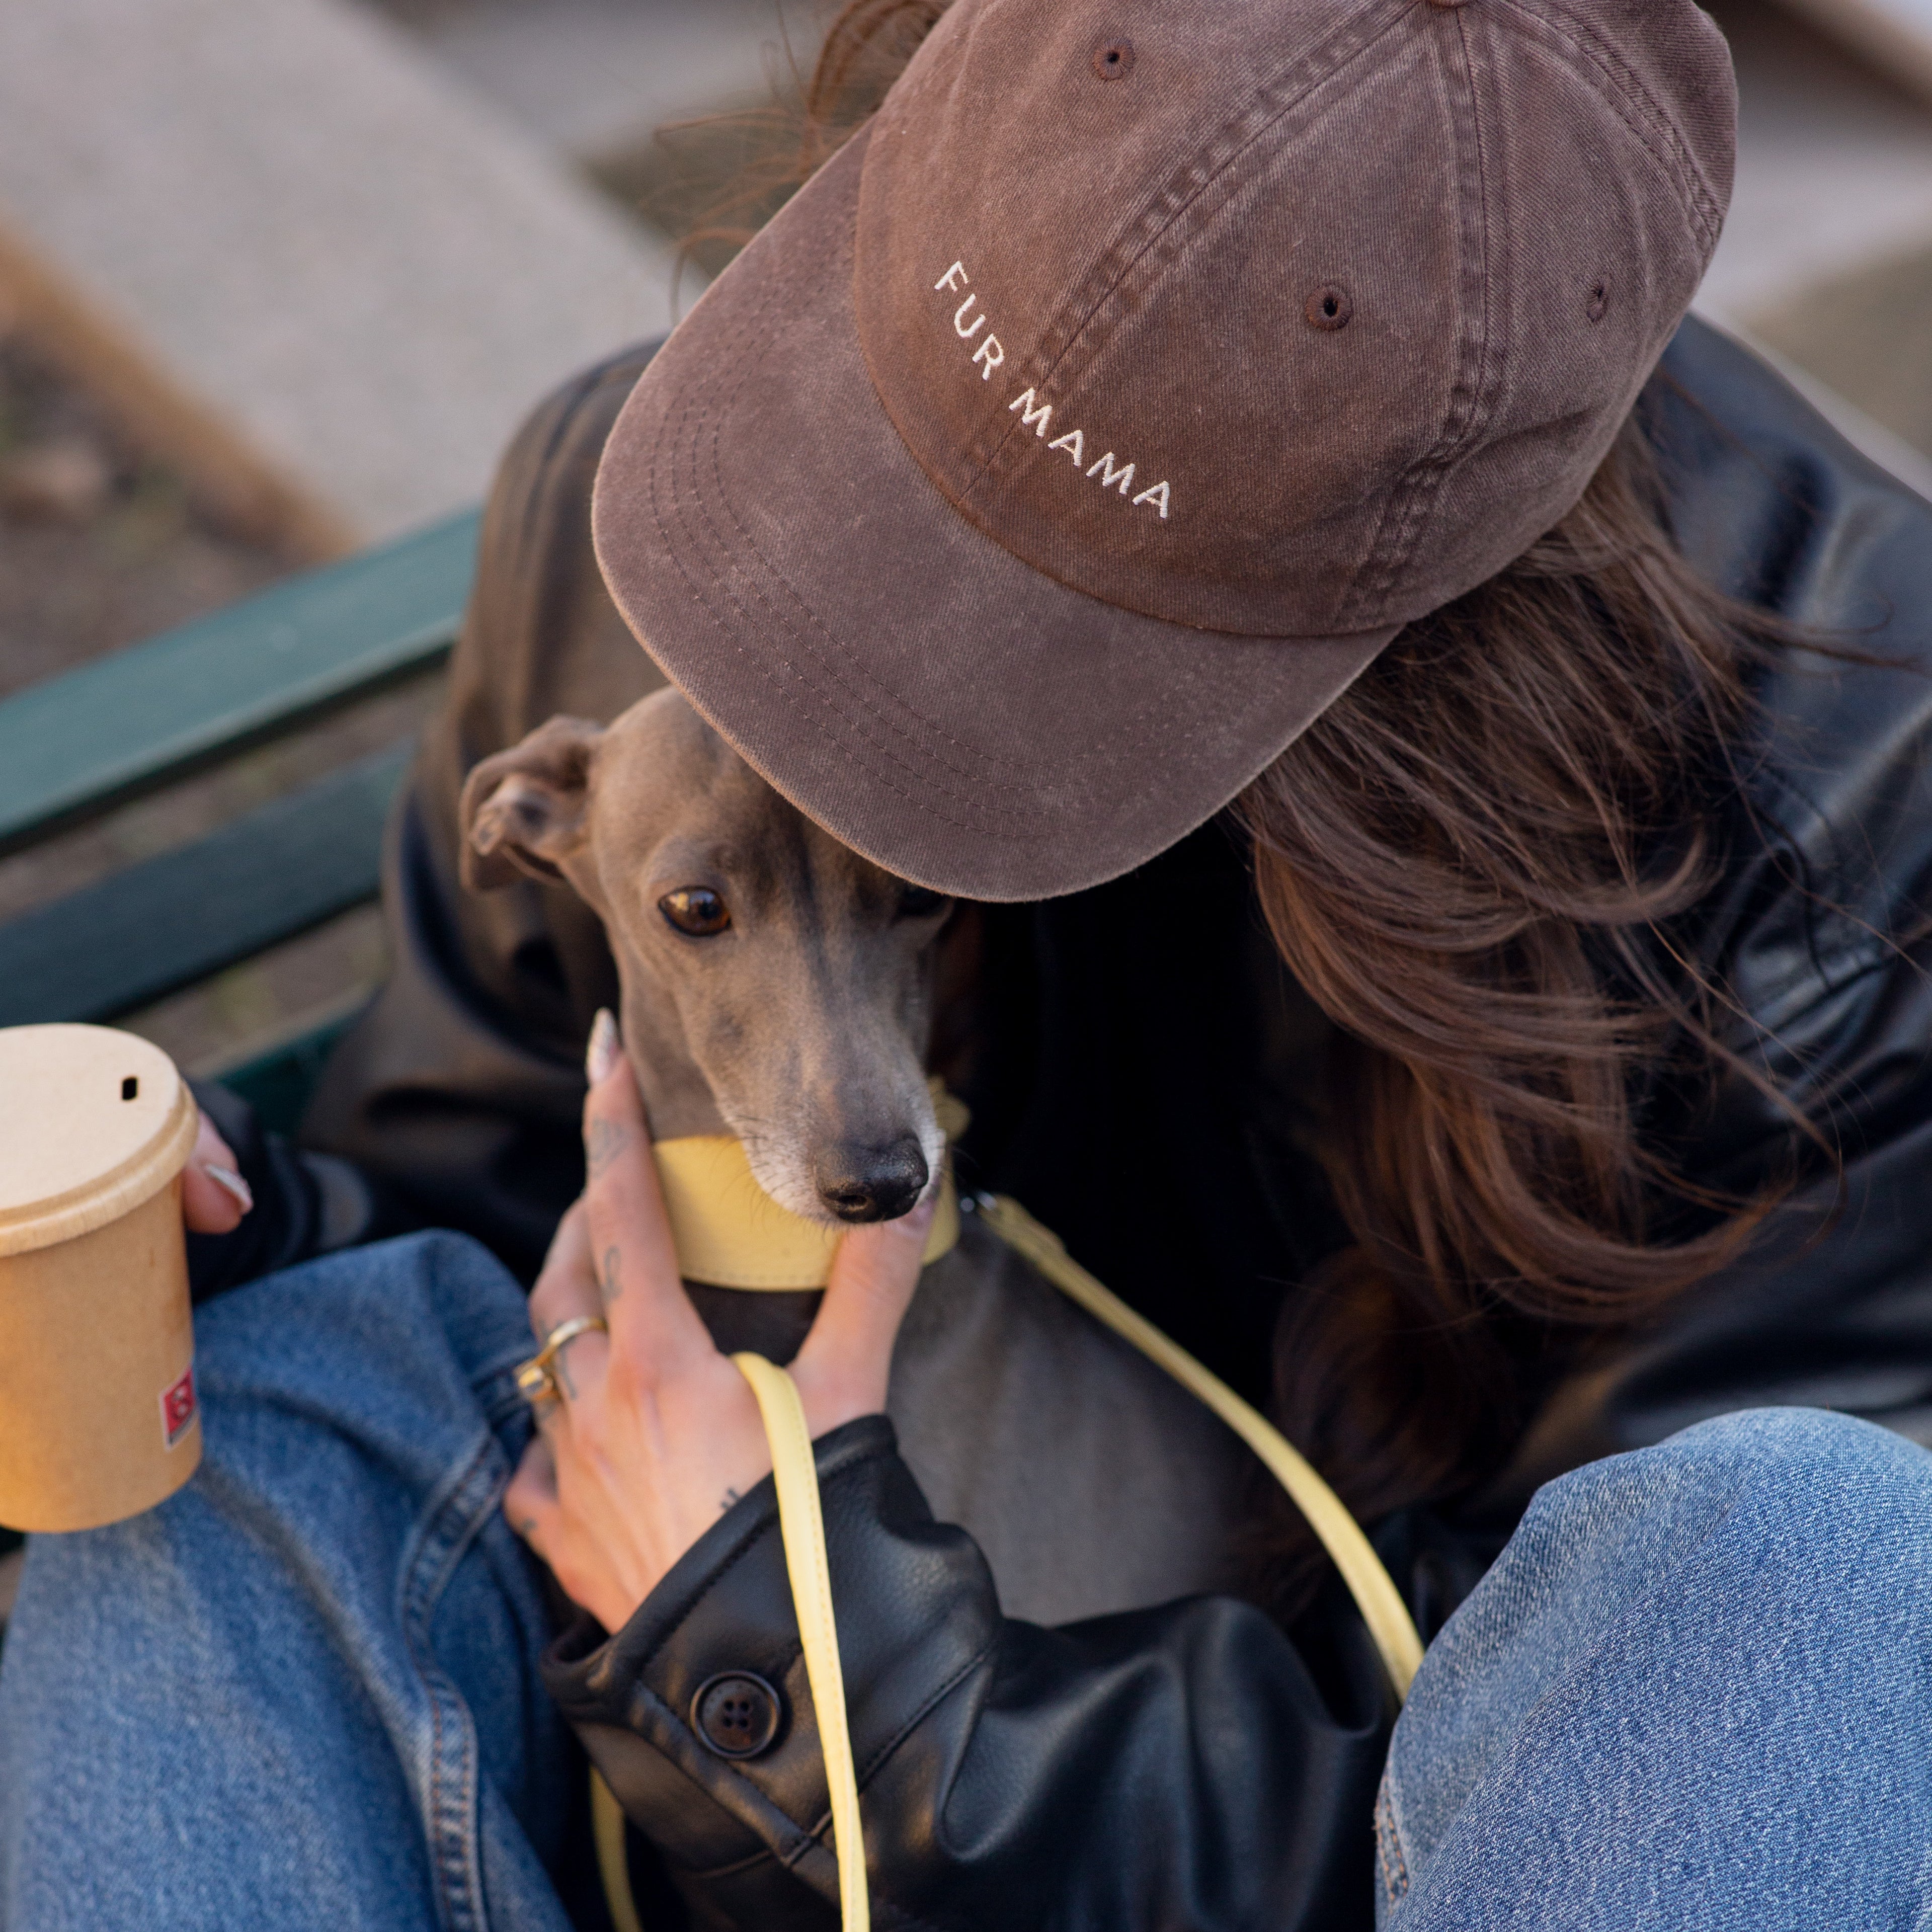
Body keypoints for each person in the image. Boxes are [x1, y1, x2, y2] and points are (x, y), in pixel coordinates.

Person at [8, 0, 1932, 1924]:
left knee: (1816, 1569)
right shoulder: (656, 525)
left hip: (1162, 1798)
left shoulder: (1850, 818)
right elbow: (474, 1228)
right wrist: (199, 1245)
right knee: (229, 1410)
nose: (842, 654)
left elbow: (1646, 1763)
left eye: (1039, 607)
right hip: (626, 1735)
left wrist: (843, 1677)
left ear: (1437, 643)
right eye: (887, 456)